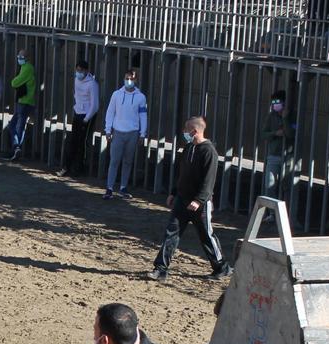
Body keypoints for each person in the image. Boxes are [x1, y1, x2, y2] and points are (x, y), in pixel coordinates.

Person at [148, 117, 229, 281]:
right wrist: (174, 192)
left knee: (206, 235)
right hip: (182, 199)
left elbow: (209, 180)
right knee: (171, 233)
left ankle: (221, 267)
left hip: (199, 204)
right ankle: (160, 268)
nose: (185, 133)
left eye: (187, 130)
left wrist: (199, 200)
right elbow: (182, 174)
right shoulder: (188, 148)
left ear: (195, 131)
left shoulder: (208, 151)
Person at [102, 69, 148, 200]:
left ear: (135, 80)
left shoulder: (140, 97)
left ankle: (123, 187)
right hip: (118, 132)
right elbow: (110, 112)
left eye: (131, 79)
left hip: (132, 133)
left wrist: (142, 133)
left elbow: (143, 115)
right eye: (127, 78)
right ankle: (109, 188)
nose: (129, 81)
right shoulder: (116, 94)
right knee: (114, 161)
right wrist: (108, 130)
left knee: (128, 161)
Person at [56, 59, 100, 178]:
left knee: (82, 142)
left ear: (86, 71)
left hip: (87, 115)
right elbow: (76, 95)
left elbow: (95, 105)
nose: (78, 72)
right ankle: (67, 167)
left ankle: (79, 168)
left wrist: (86, 118)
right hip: (78, 113)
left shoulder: (92, 84)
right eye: (77, 70)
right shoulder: (77, 79)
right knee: (73, 141)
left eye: (81, 70)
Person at [260, 90, 294, 200]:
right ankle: (272, 214)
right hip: (273, 156)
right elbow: (263, 134)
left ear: (284, 103)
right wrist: (275, 133)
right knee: (269, 186)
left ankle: (284, 215)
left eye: (277, 102)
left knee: (286, 188)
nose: (275, 104)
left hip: (288, 157)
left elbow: (291, 134)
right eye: (273, 102)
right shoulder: (271, 116)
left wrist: (285, 119)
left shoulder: (292, 116)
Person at [5, 49, 37, 162]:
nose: (19, 58)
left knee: (17, 126)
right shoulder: (26, 67)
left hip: (25, 101)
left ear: (27, 58)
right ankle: (16, 148)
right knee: (15, 126)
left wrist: (15, 81)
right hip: (24, 101)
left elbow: (14, 82)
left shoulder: (27, 68)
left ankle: (16, 148)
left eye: (21, 56)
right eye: (18, 56)